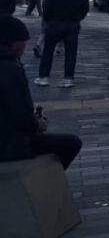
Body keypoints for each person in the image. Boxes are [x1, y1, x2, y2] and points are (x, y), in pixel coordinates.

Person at [0, 15, 82, 169]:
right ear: (15, 44)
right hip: (7, 143)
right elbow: (23, 118)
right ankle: (45, 180)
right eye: (24, 44)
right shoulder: (11, 70)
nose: (24, 49)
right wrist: (38, 124)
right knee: (71, 143)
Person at [35, 0, 90, 88]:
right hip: (72, 23)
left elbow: (46, 7)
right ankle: (68, 78)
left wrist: (48, 19)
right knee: (71, 52)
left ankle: (43, 77)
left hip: (54, 23)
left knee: (48, 50)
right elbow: (85, 7)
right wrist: (78, 18)